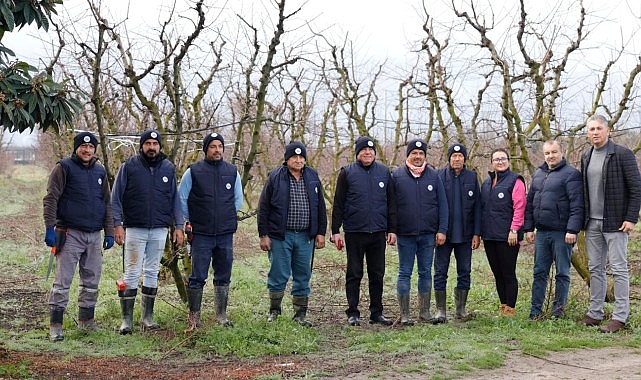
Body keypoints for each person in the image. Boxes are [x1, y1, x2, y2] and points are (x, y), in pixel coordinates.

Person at [43, 131, 115, 341]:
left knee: (92, 280)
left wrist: (109, 232)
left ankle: (86, 322)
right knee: (62, 282)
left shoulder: (100, 172)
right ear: (76, 148)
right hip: (69, 233)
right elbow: (51, 198)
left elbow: (107, 204)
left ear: (95, 150)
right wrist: (50, 227)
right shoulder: (63, 167)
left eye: (91, 147)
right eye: (83, 146)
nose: (87, 150)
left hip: (94, 235)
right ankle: (56, 326)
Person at [111, 129, 185, 334]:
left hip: (160, 228)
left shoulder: (168, 168)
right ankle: (127, 321)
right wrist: (117, 224)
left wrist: (178, 226)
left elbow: (174, 200)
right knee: (132, 272)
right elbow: (115, 197)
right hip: (135, 228)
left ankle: (147, 318)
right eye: (148, 144)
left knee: (152, 271)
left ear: (160, 146)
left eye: (155, 144)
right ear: (141, 146)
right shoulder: (129, 167)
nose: (151, 147)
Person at [579, 114, 641, 333]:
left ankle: (620, 317)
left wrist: (631, 217)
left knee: (619, 269)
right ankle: (595, 313)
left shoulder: (622, 154)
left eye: (598, 128)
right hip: (592, 223)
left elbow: (636, 189)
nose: (595, 132)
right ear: (587, 133)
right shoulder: (586, 156)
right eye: (591, 129)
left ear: (608, 131)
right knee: (596, 268)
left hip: (616, 222)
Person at [257, 141, 327, 326]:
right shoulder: (275, 177)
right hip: (281, 235)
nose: (298, 160)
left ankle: (300, 315)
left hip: (305, 236)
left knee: (303, 274)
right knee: (278, 273)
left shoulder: (313, 176)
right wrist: (263, 234)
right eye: (294, 157)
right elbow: (263, 207)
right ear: (287, 159)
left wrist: (320, 232)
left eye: (301, 157)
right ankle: (274, 312)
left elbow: (320, 206)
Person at [179, 132, 243, 332]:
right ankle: (194, 318)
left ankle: (221, 315)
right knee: (198, 275)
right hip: (201, 234)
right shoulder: (193, 172)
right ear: (206, 149)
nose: (217, 150)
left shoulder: (232, 172)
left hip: (225, 233)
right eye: (213, 146)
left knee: (224, 274)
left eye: (220, 146)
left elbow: (237, 200)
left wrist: (225, 216)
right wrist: (195, 219)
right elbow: (182, 199)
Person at [331, 136, 398, 326]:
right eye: (363, 150)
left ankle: (376, 312)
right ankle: (353, 312)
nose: (367, 153)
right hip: (354, 232)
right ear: (357, 153)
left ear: (375, 153)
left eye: (371, 150)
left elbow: (391, 203)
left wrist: (392, 228)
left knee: (377, 274)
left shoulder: (384, 173)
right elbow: (338, 203)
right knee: (354, 273)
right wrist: (335, 230)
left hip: (378, 232)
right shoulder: (347, 173)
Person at [524, 140, 584, 320]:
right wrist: (529, 228)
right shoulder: (538, 174)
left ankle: (558, 312)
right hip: (541, 233)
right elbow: (530, 204)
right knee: (539, 272)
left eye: (554, 152)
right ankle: (535, 311)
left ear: (562, 152)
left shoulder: (571, 175)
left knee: (562, 273)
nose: (551, 156)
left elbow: (577, 205)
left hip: (562, 233)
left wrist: (572, 230)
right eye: (547, 153)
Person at [391, 138, 448, 325]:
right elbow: (390, 205)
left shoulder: (434, 176)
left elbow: (443, 205)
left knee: (425, 272)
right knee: (404, 272)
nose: (417, 156)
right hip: (405, 234)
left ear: (425, 156)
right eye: (414, 153)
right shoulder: (397, 175)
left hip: (427, 234)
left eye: (421, 153)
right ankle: (405, 314)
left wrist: (442, 230)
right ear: (408, 155)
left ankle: (424, 312)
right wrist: (391, 229)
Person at [434, 143, 481, 323]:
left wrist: (477, 233)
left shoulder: (471, 177)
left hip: (466, 236)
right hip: (443, 235)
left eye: (460, 156)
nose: (457, 159)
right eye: (453, 156)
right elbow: (434, 205)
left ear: (464, 158)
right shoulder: (439, 176)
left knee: (465, 271)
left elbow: (478, 207)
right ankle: (440, 311)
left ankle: (460, 310)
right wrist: (438, 230)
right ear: (449, 158)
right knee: (440, 272)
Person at [480, 148, 526, 317]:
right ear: (492, 163)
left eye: (503, 158)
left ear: (508, 160)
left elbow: (519, 207)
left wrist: (514, 229)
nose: (500, 162)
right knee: (497, 273)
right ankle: (503, 305)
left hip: (508, 237)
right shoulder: (486, 183)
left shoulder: (516, 181)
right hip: (490, 236)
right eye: (496, 159)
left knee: (508, 273)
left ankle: (511, 309)